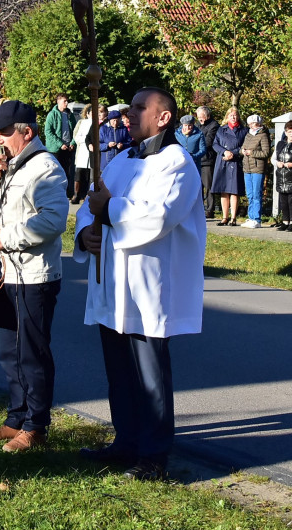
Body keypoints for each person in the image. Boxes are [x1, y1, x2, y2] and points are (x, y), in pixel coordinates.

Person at [74, 87, 206, 481]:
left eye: (139, 107)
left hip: (149, 286)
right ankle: (126, 441)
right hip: (113, 283)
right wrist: (86, 233)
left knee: (150, 378)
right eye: (130, 107)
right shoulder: (121, 160)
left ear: (163, 117)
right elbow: (90, 203)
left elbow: (159, 217)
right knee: (119, 372)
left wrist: (109, 210)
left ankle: (153, 455)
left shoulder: (177, 163)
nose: (129, 113)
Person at [0, 100, 69, 453]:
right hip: (6, 274)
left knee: (32, 354)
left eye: (3, 133)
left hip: (34, 276)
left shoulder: (45, 168)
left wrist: (6, 237)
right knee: (10, 354)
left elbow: (52, 221)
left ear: (26, 133)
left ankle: (36, 427)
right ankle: (15, 419)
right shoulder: (11, 165)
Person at [210, 107, 248, 226]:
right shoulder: (221, 130)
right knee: (224, 190)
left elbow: (244, 146)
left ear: (238, 117)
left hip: (235, 162)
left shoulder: (243, 130)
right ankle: (224, 217)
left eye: (235, 115)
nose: (233, 117)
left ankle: (233, 218)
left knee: (234, 191)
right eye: (231, 115)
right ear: (227, 117)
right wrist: (224, 152)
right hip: (222, 161)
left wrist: (233, 153)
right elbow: (215, 144)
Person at [239, 114, 271, 229]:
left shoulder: (263, 135)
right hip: (247, 168)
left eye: (253, 124)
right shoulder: (248, 135)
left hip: (258, 168)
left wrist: (251, 153)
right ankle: (251, 217)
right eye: (250, 124)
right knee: (250, 194)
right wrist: (242, 151)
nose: (251, 126)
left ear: (258, 124)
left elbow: (266, 153)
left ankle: (256, 219)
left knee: (256, 194)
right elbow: (242, 148)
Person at [44, 93, 77, 197]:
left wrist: (72, 143)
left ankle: (65, 194)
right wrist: (60, 144)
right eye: (64, 101)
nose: (66, 103)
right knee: (55, 172)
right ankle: (54, 194)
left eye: (67, 101)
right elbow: (48, 132)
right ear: (58, 101)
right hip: (55, 150)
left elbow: (75, 131)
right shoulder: (52, 114)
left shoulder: (70, 115)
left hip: (68, 148)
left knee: (67, 172)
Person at [196, 106, 220, 219]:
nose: (200, 119)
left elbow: (208, 141)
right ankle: (199, 209)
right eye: (198, 117)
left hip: (208, 159)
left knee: (208, 186)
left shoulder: (214, 125)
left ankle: (210, 210)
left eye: (202, 117)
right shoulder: (197, 125)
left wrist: (196, 142)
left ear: (208, 116)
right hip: (197, 159)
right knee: (197, 186)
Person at [71, 104, 95, 204]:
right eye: (91, 113)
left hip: (92, 153)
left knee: (90, 176)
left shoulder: (98, 123)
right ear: (88, 114)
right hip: (82, 151)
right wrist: (85, 141)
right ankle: (76, 195)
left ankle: (87, 195)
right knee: (79, 174)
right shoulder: (82, 123)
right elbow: (76, 136)